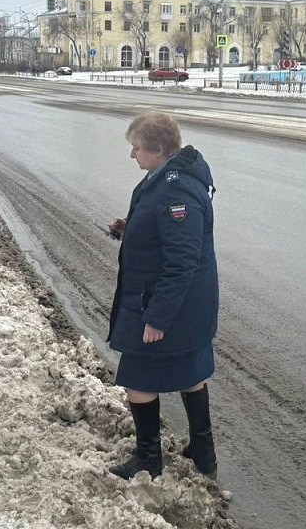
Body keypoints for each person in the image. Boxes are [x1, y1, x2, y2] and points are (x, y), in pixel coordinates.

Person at [105, 112, 219, 481]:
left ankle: (148, 458)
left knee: (138, 376)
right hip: (186, 303)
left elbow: (182, 259)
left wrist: (157, 317)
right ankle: (202, 451)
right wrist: (131, 230)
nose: (132, 154)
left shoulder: (176, 190)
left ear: (157, 150)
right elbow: (169, 236)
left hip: (166, 302)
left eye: (136, 148)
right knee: (190, 369)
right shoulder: (167, 177)